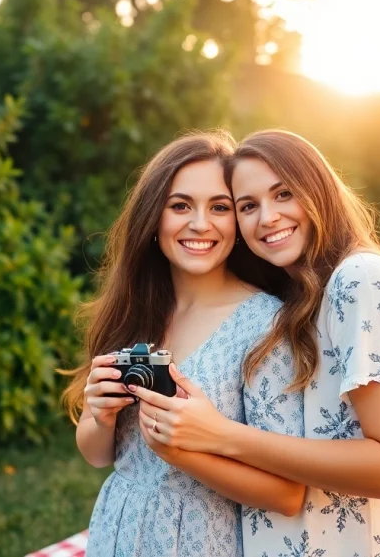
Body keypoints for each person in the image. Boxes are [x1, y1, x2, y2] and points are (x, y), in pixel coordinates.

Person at [134, 129, 380, 557]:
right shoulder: (302, 297)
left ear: (318, 191)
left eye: (283, 194)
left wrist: (221, 435)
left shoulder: (361, 278)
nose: (267, 217)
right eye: (247, 206)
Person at [61, 131, 303, 557]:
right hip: (119, 532)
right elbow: (99, 457)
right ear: (154, 217)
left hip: (206, 538)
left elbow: (287, 495)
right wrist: (98, 415)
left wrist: (182, 452)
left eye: (220, 208)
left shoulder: (267, 325)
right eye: (180, 205)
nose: (200, 224)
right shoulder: (135, 310)